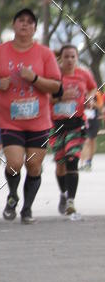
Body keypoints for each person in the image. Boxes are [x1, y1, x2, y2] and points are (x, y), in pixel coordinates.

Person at [0, 8, 61, 224]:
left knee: (34, 166)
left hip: (39, 121)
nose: (24, 25)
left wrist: (34, 78)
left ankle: (27, 209)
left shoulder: (45, 53)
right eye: (20, 21)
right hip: (10, 120)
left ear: (34, 28)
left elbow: (55, 85)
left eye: (29, 22)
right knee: (14, 163)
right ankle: (13, 195)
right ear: (14, 25)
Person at [50, 43, 96, 219]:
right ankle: (63, 193)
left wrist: (90, 98)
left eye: (73, 56)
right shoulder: (54, 75)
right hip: (57, 124)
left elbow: (92, 87)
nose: (69, 60)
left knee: (72, 159)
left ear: (77, 57)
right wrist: (61, 97)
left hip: (76, 123)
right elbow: (46, 96)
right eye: (66, 56)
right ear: (60, 58)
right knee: (60, 165)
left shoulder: (83, 74)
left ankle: (71, 203)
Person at [80, 87, 102, 171]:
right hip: (84, 119)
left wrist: (93, 103)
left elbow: (100, 107)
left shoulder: (97, 93)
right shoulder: (81, 92)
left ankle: (89, 161)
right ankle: (82, 162)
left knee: (92, 141)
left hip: (94, 119)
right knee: (86, 140)